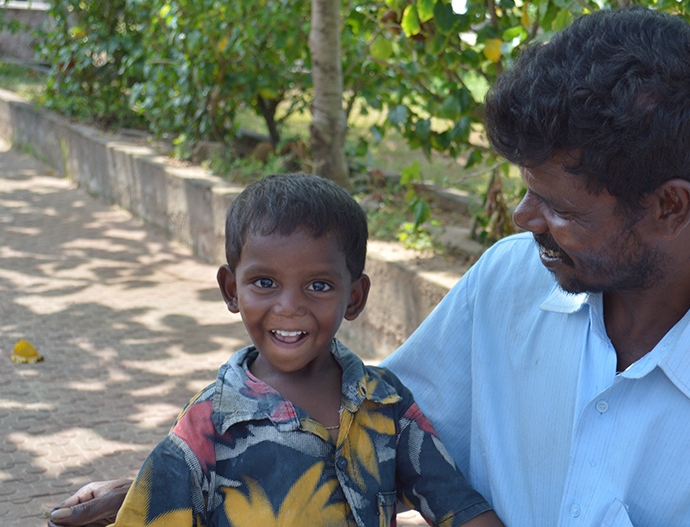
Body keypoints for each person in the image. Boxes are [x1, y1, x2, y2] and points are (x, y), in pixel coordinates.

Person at [49, 6, 690, 526]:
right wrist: (175, 477)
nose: (524, 222)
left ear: (669, 207)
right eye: (525, 193)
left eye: (560, 206)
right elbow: (370, 429)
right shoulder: (511, 283)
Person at [93, 173, 503, 527]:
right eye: (265, 282)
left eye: (319, 285)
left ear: (355, 297)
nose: (289, 306)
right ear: (231, 290)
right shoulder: (207, 426)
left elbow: (458, 507)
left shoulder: (384, 404)